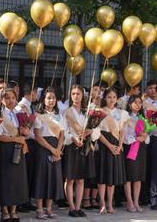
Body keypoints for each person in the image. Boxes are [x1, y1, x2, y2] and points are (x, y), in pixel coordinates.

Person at [0, 88, 30, 221]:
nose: (11, 100)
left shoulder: (18, 114)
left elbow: (26, 134)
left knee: (17, 180)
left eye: (13, 98)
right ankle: (4, 211)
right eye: (7, 98)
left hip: (18, 149)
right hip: (4, 149)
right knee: (5, 180)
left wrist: (25, 131)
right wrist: (16, 138)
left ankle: (14, 210)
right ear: (2, 100)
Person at [63, 85, 98, 217]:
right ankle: (71, 207)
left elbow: (94, 129)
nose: (76, 96)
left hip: (85, 146)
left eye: (78, 94)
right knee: (70, 179)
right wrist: (73, 138)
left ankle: (78, 207)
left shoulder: (87, 111)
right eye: (73, 94)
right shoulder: (67, 112)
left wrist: (90, 131)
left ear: (83, 95)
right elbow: (64, 132)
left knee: (81, 180)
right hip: (72, 146)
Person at [33, 87, 65, 219]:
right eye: (48, 98)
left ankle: (49, 208)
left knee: (53, 178)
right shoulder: (38, 116)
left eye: (53, 98)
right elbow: (38, 136)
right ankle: (39, 209)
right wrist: (53, 150)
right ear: (44, 100)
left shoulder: (60, 116)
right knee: (42, 178)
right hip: (43, 148)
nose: (51, 100)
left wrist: (58, 150)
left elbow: (62, 135)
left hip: (56, 148)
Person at [96, 88, 128, 214]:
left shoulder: (123, 113)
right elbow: (97, 131)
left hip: (116, 145)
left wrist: (119, 146)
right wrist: (109, 145)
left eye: (114, 97)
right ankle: (102, 203)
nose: (111, 99)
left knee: (112, 178)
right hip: (104, 144)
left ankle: (110, 203)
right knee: (103, 176)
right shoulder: (99, 112)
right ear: (105, 98)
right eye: (109, 97)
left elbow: (123, 131)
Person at [123, 95, 149, 213]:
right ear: (129, 104)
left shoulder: (143, 118)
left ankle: (136, 201)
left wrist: (145, 136)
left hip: (141, 148)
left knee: (138, 177)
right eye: (135, 102)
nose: (138, 104)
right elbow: (124, 135)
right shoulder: (126, 117)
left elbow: (147, 135)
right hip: (131, 147)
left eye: (140, 102)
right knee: (129, 176)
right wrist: (135, 138)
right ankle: (129, 201)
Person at [15, 84, 38, 213]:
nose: (37, 95)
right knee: (24, 172)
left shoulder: (30, 106)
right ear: (32, 92)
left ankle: (26, 199)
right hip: (25, 141)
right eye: (36, 92)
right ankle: (20, 201)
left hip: (32, 141)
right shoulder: (21, 107)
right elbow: (22, 128)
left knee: (29, 172)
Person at [83, 83, 102, 211]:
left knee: (97, 170)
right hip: (87, 141)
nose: (98, 92)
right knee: (88, 170)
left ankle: (94, 198)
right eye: (95, 90)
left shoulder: (102, 107)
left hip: (99, 141)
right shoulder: (87, 108)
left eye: (100, 91)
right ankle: (85, 198)